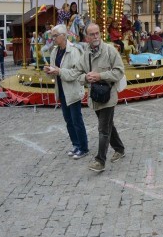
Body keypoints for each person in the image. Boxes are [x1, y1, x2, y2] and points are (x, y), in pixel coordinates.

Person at [77, 22, 127, 173]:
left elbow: (119, 72)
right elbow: (78, 73)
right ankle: (119, 148)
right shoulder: (85, 54)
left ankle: (100, 160)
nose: (95, 36)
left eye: (97, 33)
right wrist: (86, 77)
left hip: (109, 95)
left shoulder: (110, 51)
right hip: (95, 97)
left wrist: (100, 76)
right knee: (108, 125)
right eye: (92, 34)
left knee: (103, 128)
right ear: (87, 37)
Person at [44, 24, 90, 159]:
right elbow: (54, 71)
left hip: (73, 90)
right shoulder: (54, 51)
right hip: (62, 90)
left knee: (77, 120)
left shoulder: (73, 51)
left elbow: (76, 72)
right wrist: (49, 71)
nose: (52, 38)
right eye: (52, 36)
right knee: (68, 120)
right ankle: (76, 144)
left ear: (63, 36)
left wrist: (59, 71)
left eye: (55, 36)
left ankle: (84, 147)